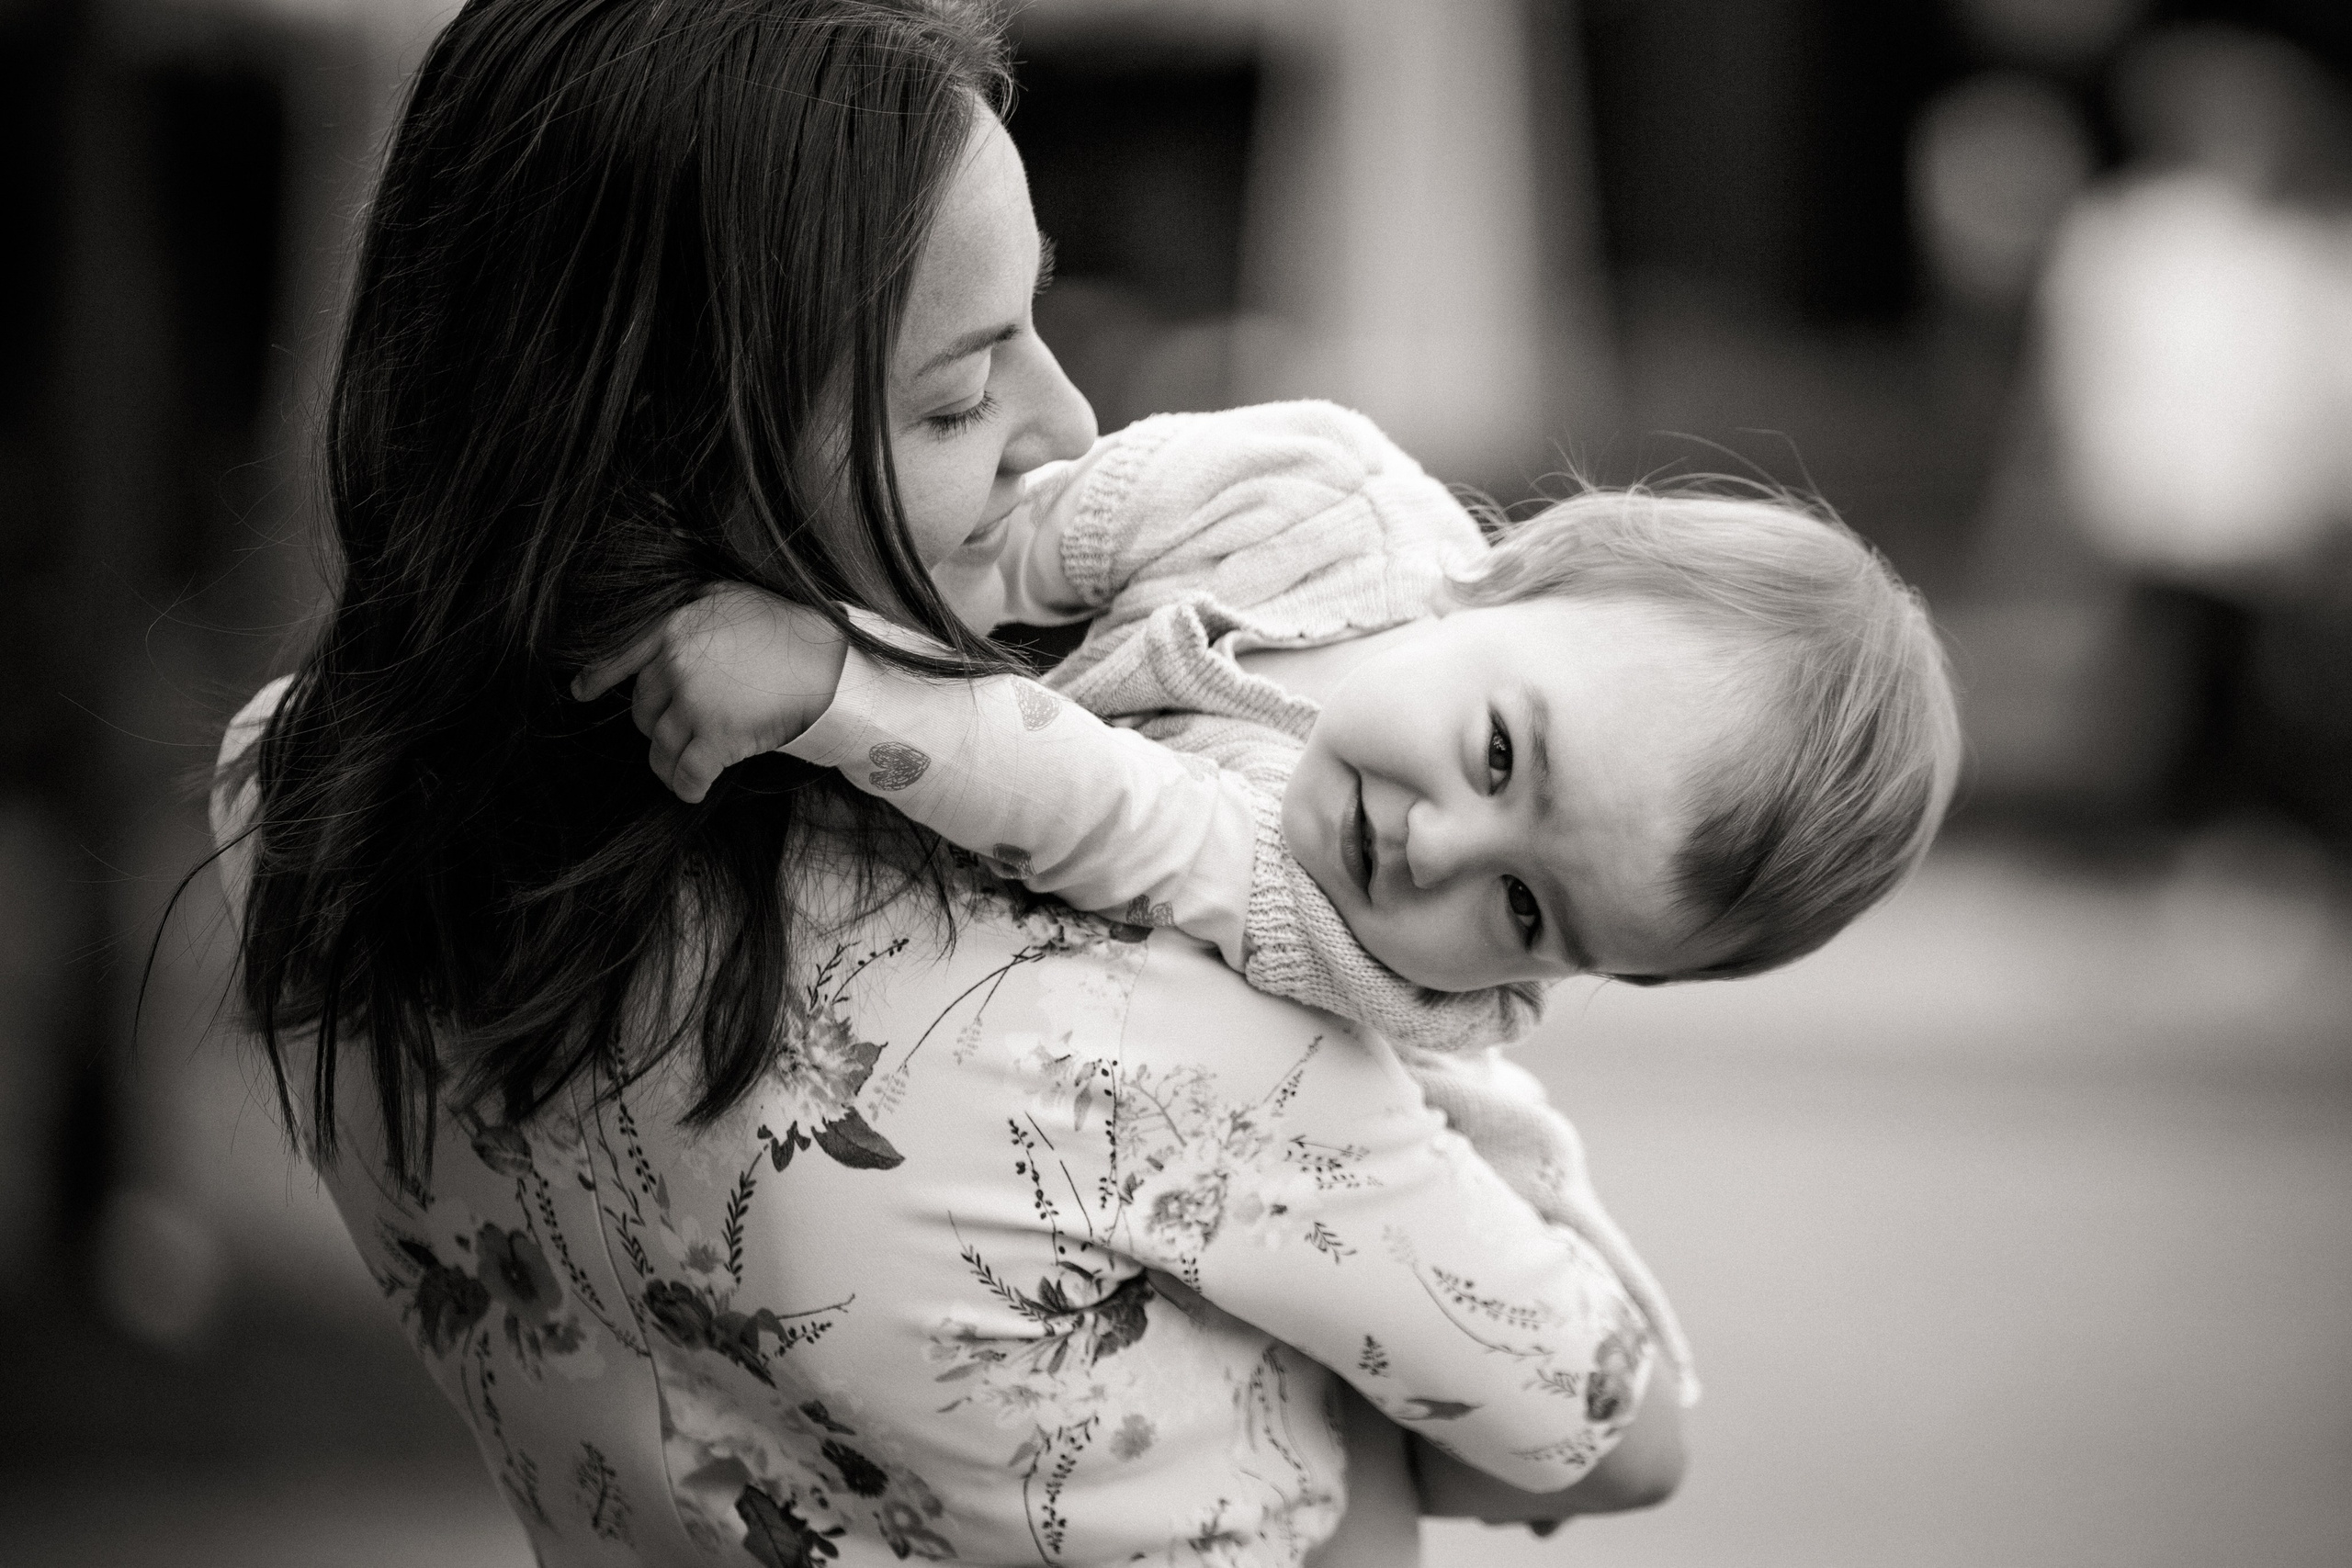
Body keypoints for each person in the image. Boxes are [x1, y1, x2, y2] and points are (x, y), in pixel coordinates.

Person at [209, 3, 1684, 1562]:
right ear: (657, 438)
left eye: (1035, 317)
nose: (1071, 422)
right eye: (960, 396)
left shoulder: (293, 810)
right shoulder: (1122, 1022)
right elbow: (1615, 1434)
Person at [585, 400, 1963, 1404]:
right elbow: (1023, 530)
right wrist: (829, 600)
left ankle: (1583, 1309)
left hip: (1103, 1042)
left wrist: (837, 683)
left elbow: (1111, 811)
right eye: (1500, 755)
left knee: (1492, 1147)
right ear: (1526, 572)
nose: (1437, 850)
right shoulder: (1315, 491)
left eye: (1529, 913)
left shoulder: (1363, 949)